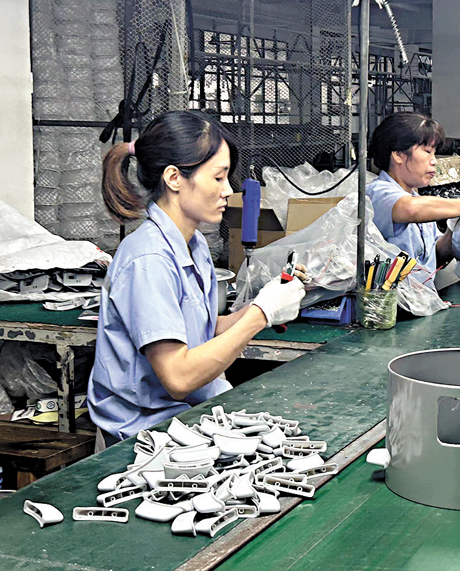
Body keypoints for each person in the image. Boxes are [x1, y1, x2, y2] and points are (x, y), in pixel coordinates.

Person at [88, 111, 308, 446]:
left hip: (190, 417)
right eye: (218, 177)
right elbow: (178, 377)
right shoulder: (148, 260)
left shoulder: (194, 244)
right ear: (174, 178)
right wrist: (260, 314)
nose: (228, 190)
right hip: (143, 437)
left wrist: (271, 301)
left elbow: (203, 328)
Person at [366, 113, 460, 288]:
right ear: (398, 154)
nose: (434, 161)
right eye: (427, 152)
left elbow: (436, 256)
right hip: (392, 301)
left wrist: (453, 232)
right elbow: (408, 208)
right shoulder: (376, 193)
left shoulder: (418, 201)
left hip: (422, 298)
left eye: (434, 153)